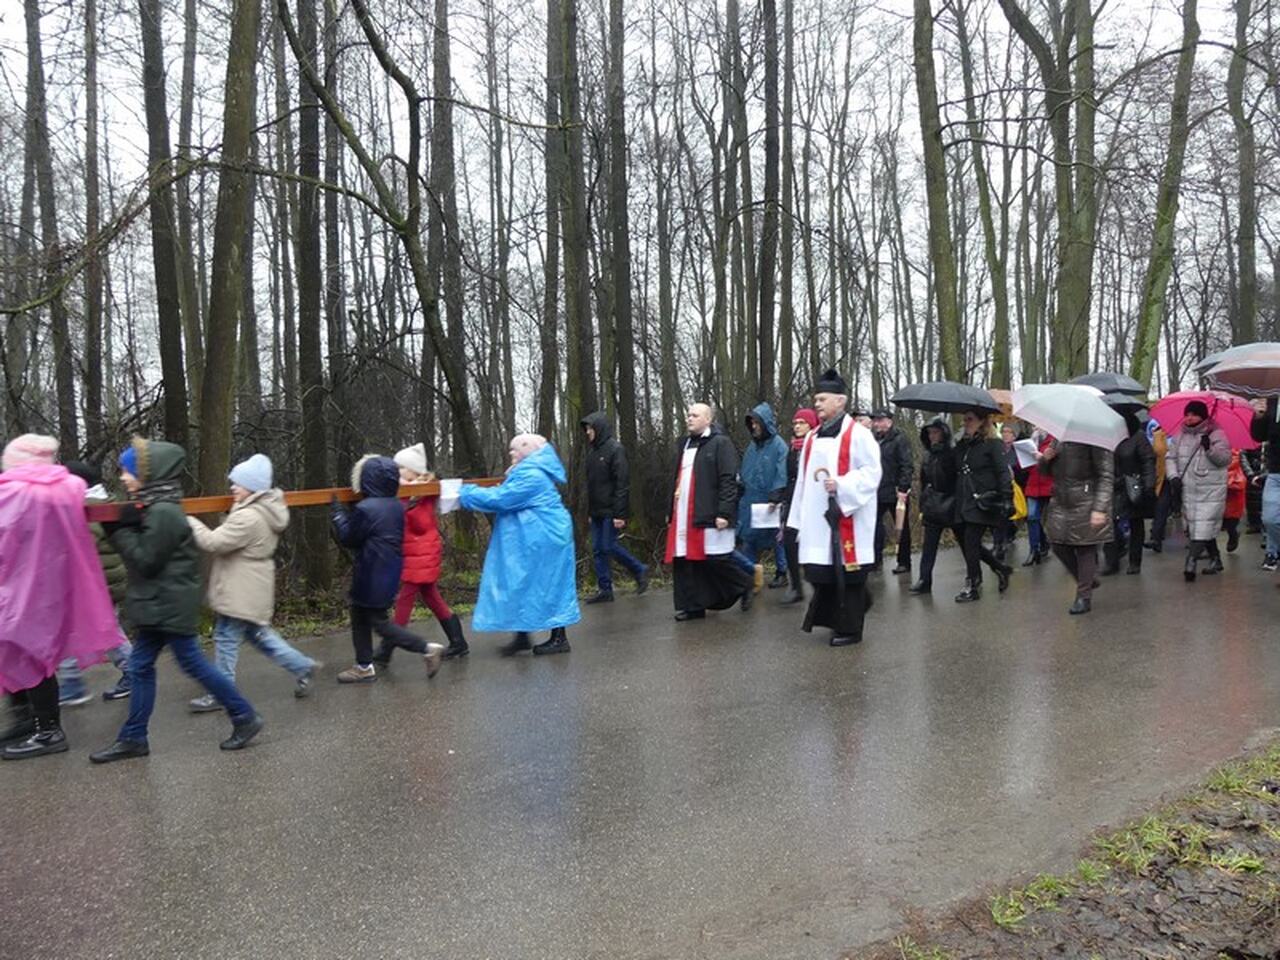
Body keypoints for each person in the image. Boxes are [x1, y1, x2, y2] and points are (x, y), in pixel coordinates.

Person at [90, 438, 264, 763]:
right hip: (159, 604)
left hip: (169, 605)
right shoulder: (156, 507)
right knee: (140, 667)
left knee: (191, 664)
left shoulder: (165, 512)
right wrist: (125, 526)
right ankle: (133, 737)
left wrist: (117, 531)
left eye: (128, 471)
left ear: (148, 474)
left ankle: (244, 715)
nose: (123, 478)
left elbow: (146, 560)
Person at [1, 436, 121, 760]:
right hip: (53, 586)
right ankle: (31, 722)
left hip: (19, 588)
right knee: (27, 653)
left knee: (27, 655)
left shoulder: (11, 493)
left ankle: (46, 730)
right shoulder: (66, 487)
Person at [185, 454, 318, 711]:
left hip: (240, 587)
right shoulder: (263, 509)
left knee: (225, 637)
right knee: (260, 637)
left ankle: (222, 693)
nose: (232, 487)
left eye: (238, 483)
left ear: (253, 487)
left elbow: (213, 542)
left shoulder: (249, 517)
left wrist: (188, 520)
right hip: (251, 585)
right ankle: (302, 666)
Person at [458, 434, 579, 655]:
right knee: (524, 583)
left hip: (547, 539)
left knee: (551, 586)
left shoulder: (531, 474)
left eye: (516, 449)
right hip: (540, 538)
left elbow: (501, 498)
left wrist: (464, 492)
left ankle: (559, 638)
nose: (511, 453)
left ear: (528, 450)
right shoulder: (526, 471)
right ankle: (522, 636)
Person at [787, 369, 881, 646]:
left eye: (822, 399)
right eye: (816, 399)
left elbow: (872, 473)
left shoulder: (859, 435)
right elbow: (803, 479)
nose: (816, 404)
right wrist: (796, 519)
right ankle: (846, 612)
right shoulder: (812, 437)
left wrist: (842, 484)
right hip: (817, 519)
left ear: (840, 401)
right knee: (821, 572)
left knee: (848, 574)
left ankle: (851, 629)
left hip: (848, 514)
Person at [331, 455, 445, 683]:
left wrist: (338, 514)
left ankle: (426, 648)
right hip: (387, 570)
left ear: (367, 479)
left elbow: (349, 537)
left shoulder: (367, 508)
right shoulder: (395, 505)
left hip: (370, 573)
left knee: (378, 623)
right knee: (361, 616)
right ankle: (364, 666)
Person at [665, 404, 754, 621]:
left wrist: (724, 512)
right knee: (686, 560)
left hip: (710, 512)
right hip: (684, 513)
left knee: (716, 559)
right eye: (688, 415)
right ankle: (693, 606)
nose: (689, 418)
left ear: (708, 419)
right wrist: (671, 511)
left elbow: (728, 480)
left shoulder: (720, 443)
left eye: (695, 415)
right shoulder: (684, 444)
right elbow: (676, 479)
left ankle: (745, 583)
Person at [381, 443, 468, 660]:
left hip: (423, 553)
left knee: (404, 600)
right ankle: (458, 642)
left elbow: (419, 522)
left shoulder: (423, 492)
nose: (397, 471)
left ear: (415, 471)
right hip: (415, 553)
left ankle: (385, 649)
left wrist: (404, 497)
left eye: (401, 468)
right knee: (431, 597)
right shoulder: (405, 491)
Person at [55, 460, 132, 704]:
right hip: (103, 582)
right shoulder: (100, 503)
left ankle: (131, 672)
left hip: (98, 585)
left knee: (105, 633)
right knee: (78, 630)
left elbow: (80, 546)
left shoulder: (88, 509)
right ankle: (72, 683)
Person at [580, 413, 649, 604]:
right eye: (586, 429)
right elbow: (591, 485)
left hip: (611, 510)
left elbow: (622, 483)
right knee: (597, 550)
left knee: (608, 546)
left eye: (590, 428)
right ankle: (605, 589)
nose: (588, 432)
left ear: (599, 428)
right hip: (596, 511)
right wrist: (590, 512)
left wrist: (620, 514)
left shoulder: (615, 449)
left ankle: (639, 568)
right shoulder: (592, 453)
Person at [1041, 440, 1114, 614]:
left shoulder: (1095, 439)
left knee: (1085, 547)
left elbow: (1105, 476)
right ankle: (1086, 580)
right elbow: (1045, 472)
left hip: (1086, 500)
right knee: (1057, 544)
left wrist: (1100, 508)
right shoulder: (1058, 440)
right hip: (1061, 500)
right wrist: (1045, 460)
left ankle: (1083, 596)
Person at [952, 411, 1014, 603]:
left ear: (982, 421)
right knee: (967, 543)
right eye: (965, 419)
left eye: (970, 419)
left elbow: (1002, 471)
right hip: (964, 499)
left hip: (983, 500)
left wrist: (1007, 497)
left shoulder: (993, 444)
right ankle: (1001, 568)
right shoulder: (964, 445)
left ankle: (973, 584)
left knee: (971, 541)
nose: (966, 422)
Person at [1167, 400, 1231, 582]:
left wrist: (1209, 448)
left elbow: (1224, 459)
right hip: (1188, 489)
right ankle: (1216, 559)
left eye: (1194, 414)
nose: (1190, 418)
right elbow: (1170, 457)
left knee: (1203, 525)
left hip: (1211, 489)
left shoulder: (1216, 434)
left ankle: (1191, 561)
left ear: (1203, 416)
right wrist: (1173, 476)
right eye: (1187, 414)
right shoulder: (1179, 435)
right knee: (1200, 526)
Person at [738, 403, 790, 588]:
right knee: (749, 537)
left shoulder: (779, 446)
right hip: (751, 498)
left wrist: (777, 492)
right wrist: (740, 484)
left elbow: (782, 471)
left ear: (765, 423)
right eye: (752, 423)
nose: (754, 427)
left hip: (770, 500)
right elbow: (746, 469)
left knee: (777, 538)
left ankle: (782, 572)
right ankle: (751, 574)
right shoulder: (752, 447)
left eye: (757, 423)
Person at [1102, 414, 1157, 576]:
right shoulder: (1106, 437)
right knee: (1109, 523)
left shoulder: (1138, 437)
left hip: (1133, 486)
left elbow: (1148, 460)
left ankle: (1135, 561)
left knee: (1135, 523)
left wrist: (1148, 484)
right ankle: (1111, 561)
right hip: (1111, 485)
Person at [909, 417, 958, 596]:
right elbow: (924, 481)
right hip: (932, 504)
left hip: (951, 503)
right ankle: (924, 579)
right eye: (929, 433)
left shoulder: (952, 453)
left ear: (944, 433)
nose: (932, 436)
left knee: (968, 545)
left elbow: (957, 479)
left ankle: (990, 569)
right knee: (928, 545)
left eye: (935, 432)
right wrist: (923, 503)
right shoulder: (928, 455)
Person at [777, 409, 819, 605]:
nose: (797, 426)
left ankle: (820, 586)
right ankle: (795, 586)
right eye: (795, 423)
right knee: (789, 542)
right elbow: (788, 476)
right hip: (793, 499)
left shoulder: (817, 445)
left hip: (812, 499)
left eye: (802, 422)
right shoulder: (792, 448)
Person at [870, 408, 913, 574]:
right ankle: (875, 559)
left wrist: (903, 487)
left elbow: (906, 464)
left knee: (901, 526)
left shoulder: (899, 439)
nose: (877, 424)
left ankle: (904, 561)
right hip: (877, 490)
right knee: (874, 526)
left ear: (889, 421)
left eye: (880, 420)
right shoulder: (872, 440)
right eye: (875, 421)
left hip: (896, 490)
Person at [1250, 399, 1280, 570]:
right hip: (1275, 473)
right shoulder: (1273, 403)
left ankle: (1272, 553)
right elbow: (1258, 436)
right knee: (1270, 519)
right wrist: (1259, 417)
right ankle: (1273, 551)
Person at [993, 423, 1029, 562]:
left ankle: (1012, 532)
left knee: (1019, 513)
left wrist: (1014, 473)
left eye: (1009, 432)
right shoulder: (998, 449)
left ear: (1014, 435)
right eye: (1004, 431)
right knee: (1002, 514)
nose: (1005, 434)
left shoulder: (1019, 450)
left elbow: (1025, 468)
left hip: (1018, 486)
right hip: (1002, 486)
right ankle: (1000, 543)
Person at [1021, 430, 1055, 565]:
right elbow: (1025, 469)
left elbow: (1058, 466)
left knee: (1054, 520)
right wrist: (1023, 459)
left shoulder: (1054, 441)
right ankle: (1034, 550)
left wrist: (1043, 459)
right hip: (1033, 486)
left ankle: (1059, 546)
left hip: (1050, 485)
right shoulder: (1031, 442)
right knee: (1032, 517)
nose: (1036, 427)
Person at [1144, 420, 1173, 553]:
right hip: (1164, 477)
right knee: (1161, 506)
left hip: (1179, 476)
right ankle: (1156, 536)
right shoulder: (1156, 431)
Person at [1224, 451, 1247, 553]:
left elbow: (1239, 461)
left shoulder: (1237, 451)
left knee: (1231, 518)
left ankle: (1233, 535)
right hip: (1219, 483)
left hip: (1234, 484)